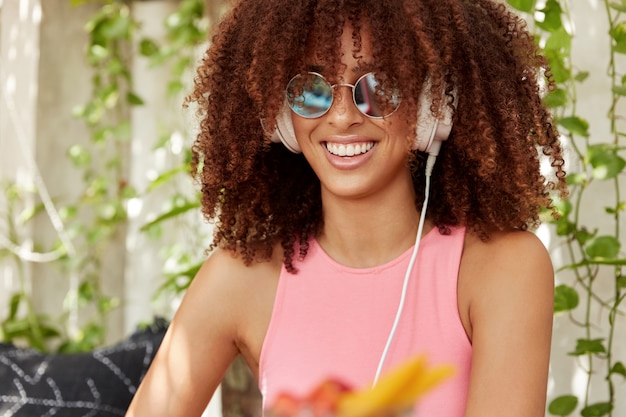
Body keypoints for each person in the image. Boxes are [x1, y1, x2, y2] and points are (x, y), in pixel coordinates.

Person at [126, 0, 567, 416]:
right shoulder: (240, 280)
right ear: (282, 113)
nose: (341, 116)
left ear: (436, 105)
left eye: (377, 87)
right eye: (312, 89)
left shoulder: (504, 270)